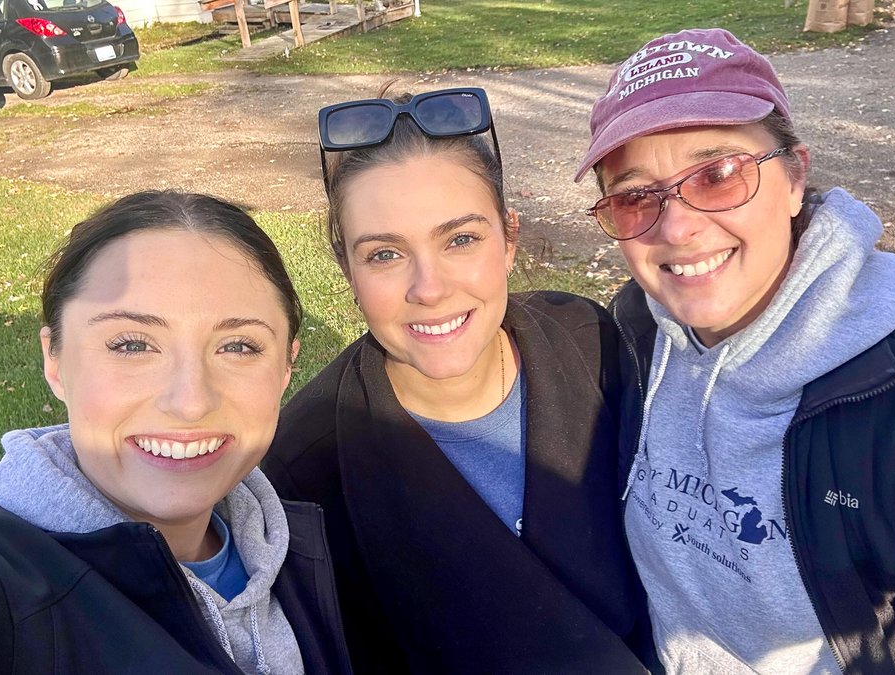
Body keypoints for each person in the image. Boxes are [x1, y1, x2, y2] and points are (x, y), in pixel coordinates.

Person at [574, 27, 895, 674]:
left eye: (719, 174)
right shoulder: (633, 334)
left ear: (794, 178)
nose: (676, 227)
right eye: (635, 195)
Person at [262, 87, 651, 673]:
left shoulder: (590, 343)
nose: (430, 288)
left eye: (461, 240)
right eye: (385, 255)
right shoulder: (304, 472)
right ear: (346, 269)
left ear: (509, 238)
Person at [0, 191, 351, 674]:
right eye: (131, 345)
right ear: (55, 360)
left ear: (286, 365)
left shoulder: (297, 537)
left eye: (237, 346)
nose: (190, 402)